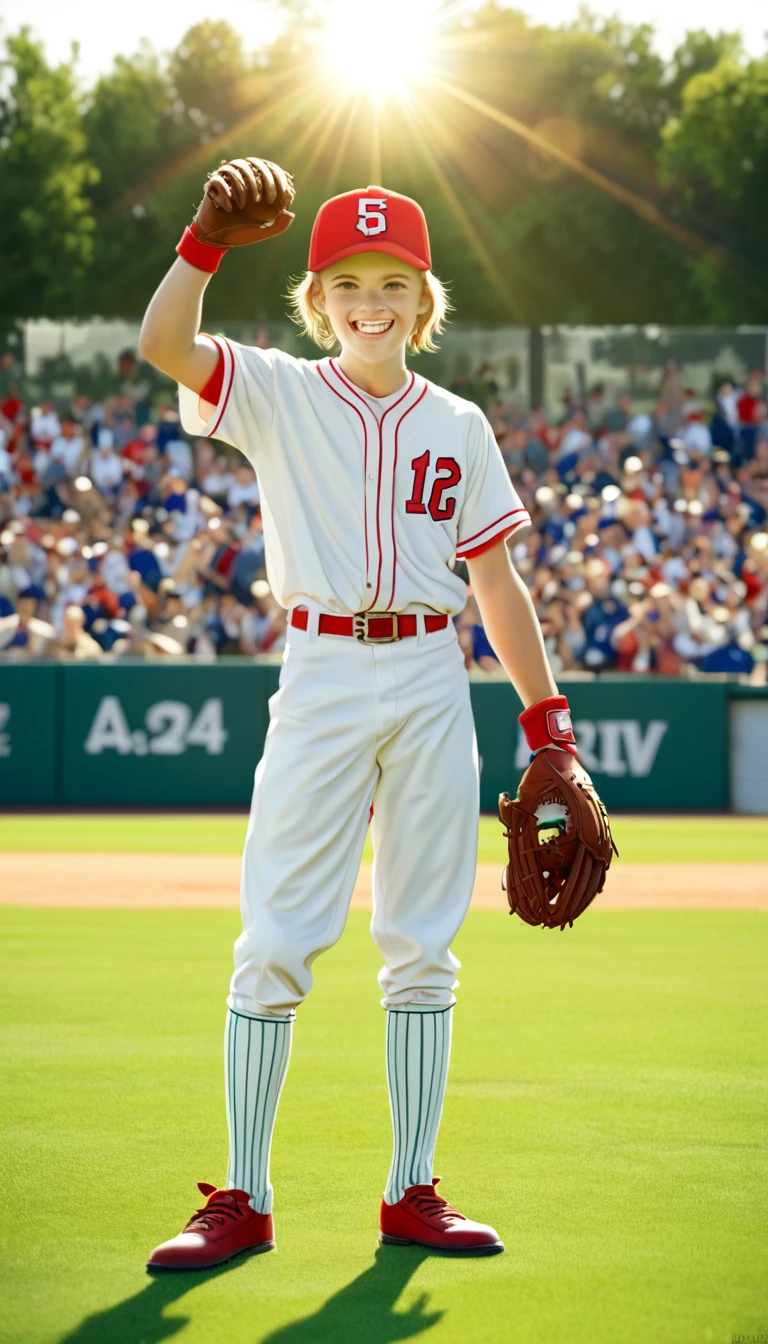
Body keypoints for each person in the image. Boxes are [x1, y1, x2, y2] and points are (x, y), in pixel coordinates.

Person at [138, 161, 581, 1270]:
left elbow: (497, 585)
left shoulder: (461, 422)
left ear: (424, 300)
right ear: (318, 298)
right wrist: (202, 243)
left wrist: (550, 728)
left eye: (393, 279)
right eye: (347, 281)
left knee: (423, 945)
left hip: (432, 672)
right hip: (326, 669)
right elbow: (162, 346)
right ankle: (242, 1195)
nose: (370, 299)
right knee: (277, 939)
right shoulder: (280, 392)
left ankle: (412, 1193)